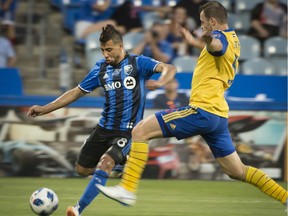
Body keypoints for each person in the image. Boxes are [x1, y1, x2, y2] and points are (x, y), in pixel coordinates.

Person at [96, 1, 288, 208]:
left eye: (203, 22)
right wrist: (199, 40)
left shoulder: (219, 38)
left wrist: (203, 37)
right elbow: (215, 47)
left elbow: (216, 45)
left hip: (202, 110)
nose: (201, 25)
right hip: (218, 116)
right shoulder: (234, 39)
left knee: (141, 131)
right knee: (237, 171)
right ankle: (285, 198)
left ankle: (127, 189)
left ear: (213, 21)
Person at [27, 24, 176, 216]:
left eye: (109, 49)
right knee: (81, 170)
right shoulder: (100, 68)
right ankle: (116, 168)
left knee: (105, 163)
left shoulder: (138, 63)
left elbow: (169, 67)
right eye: (102, 50)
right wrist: (44, 109)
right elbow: (75, 93)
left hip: (127, 131)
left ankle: (78, 209)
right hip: (104, 128)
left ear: (121, 46)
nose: (105, 54)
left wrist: (161, 82)